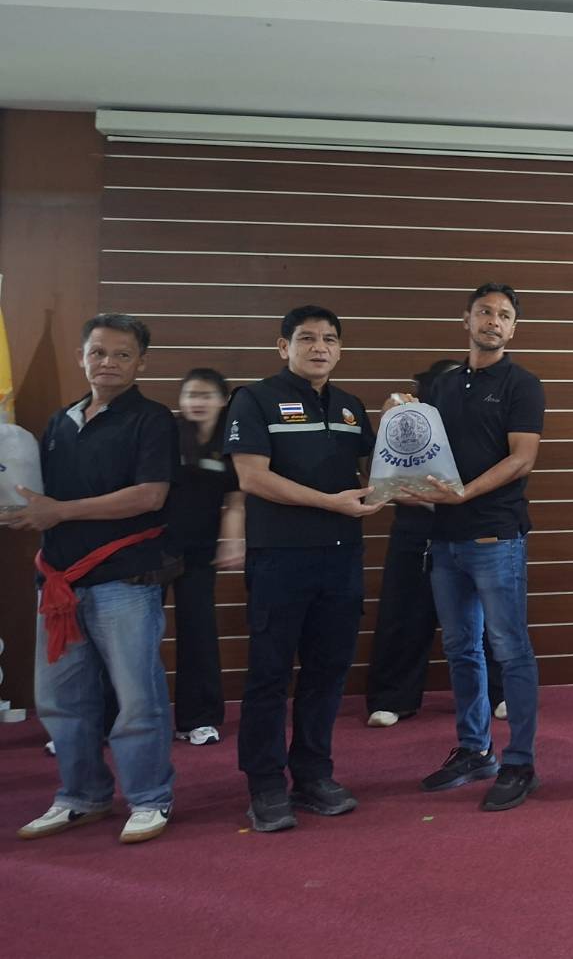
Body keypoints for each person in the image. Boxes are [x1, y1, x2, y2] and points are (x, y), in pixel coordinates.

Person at [7, 313, 178, 844]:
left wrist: (59, 512)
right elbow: (38, 496)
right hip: (59, 583)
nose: (108, 362)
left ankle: (149, 798)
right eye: (98, 352)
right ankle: (82, 796)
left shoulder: (152, 419)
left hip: (124, 581)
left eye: (122, 354)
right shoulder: (60, 421)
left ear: (141, 362)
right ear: (82, 356)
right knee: (60, 699)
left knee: (137, 697)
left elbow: (150, 496)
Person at [226, 305, 384, 832]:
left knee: (327, 673)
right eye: (307, 338)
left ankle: (313, 774)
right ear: (283, 346)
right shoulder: (254, 399)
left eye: (330, 339)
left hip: (341, 560)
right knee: (269, 675)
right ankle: (266, 784)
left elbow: (379, 468)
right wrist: (328, 503)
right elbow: (252, 477)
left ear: (340, 349)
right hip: (280, 558)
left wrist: (401, 423)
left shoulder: (350, 406)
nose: (320, 348)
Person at [415, 283, 546, 812]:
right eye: (484, 312)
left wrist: (465, 493)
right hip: (444, 539)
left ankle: (521, 763)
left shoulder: (523, 384)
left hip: (496, 536)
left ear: (513, 328)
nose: (493, 321)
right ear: (466, 320)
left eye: (504, 315)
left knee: (510, 649)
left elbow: (522, 458)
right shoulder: (442, 385)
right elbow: (422, 452)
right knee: (460, 649)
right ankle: (475, 750)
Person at [364, 359, 505, 729]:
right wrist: (387, 424)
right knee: (404, 614)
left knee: (489, 615)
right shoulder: (408, 421)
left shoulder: (483, 423)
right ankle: (393, 698)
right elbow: (384, 480)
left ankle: (499, 692)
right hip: (416, 528)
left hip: (472, 527)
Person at [166, 368, 245, 747]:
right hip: (152, 548)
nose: (197, 402)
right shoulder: (167, 434)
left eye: (206, 395)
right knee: (132, 639)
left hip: (199, 551)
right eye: (190, 395)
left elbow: (235, 500)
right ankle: (109, 720)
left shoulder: (230, 441)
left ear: (223, 400)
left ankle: (198, 719)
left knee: (198, 631)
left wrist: (232, 541)